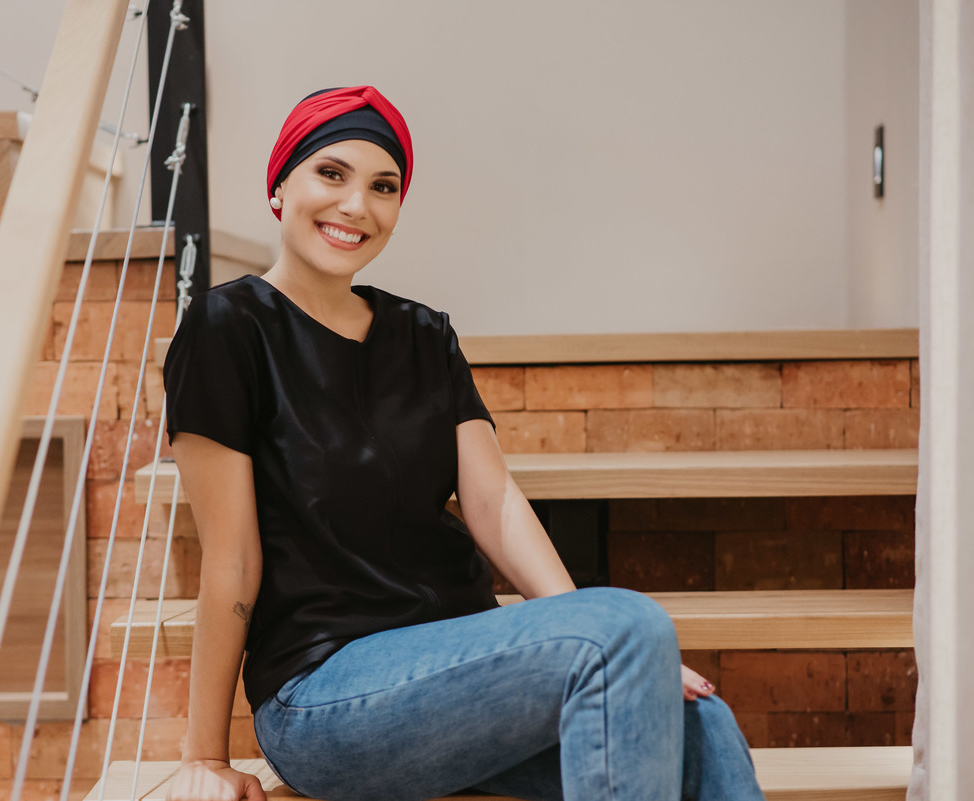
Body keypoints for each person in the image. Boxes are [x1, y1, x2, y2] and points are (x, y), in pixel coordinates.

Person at [162, 86, 765, 801]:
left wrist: (604, 640)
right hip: (326, 693)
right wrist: (204, 755)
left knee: (704, 727)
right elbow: (230, 559)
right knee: (630, 625)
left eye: (383, 186)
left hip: (462, 670)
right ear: (279, 185)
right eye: (331, 173)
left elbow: (493, 501)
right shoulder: (227, 328)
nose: (356, 204)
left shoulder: (424, 334)